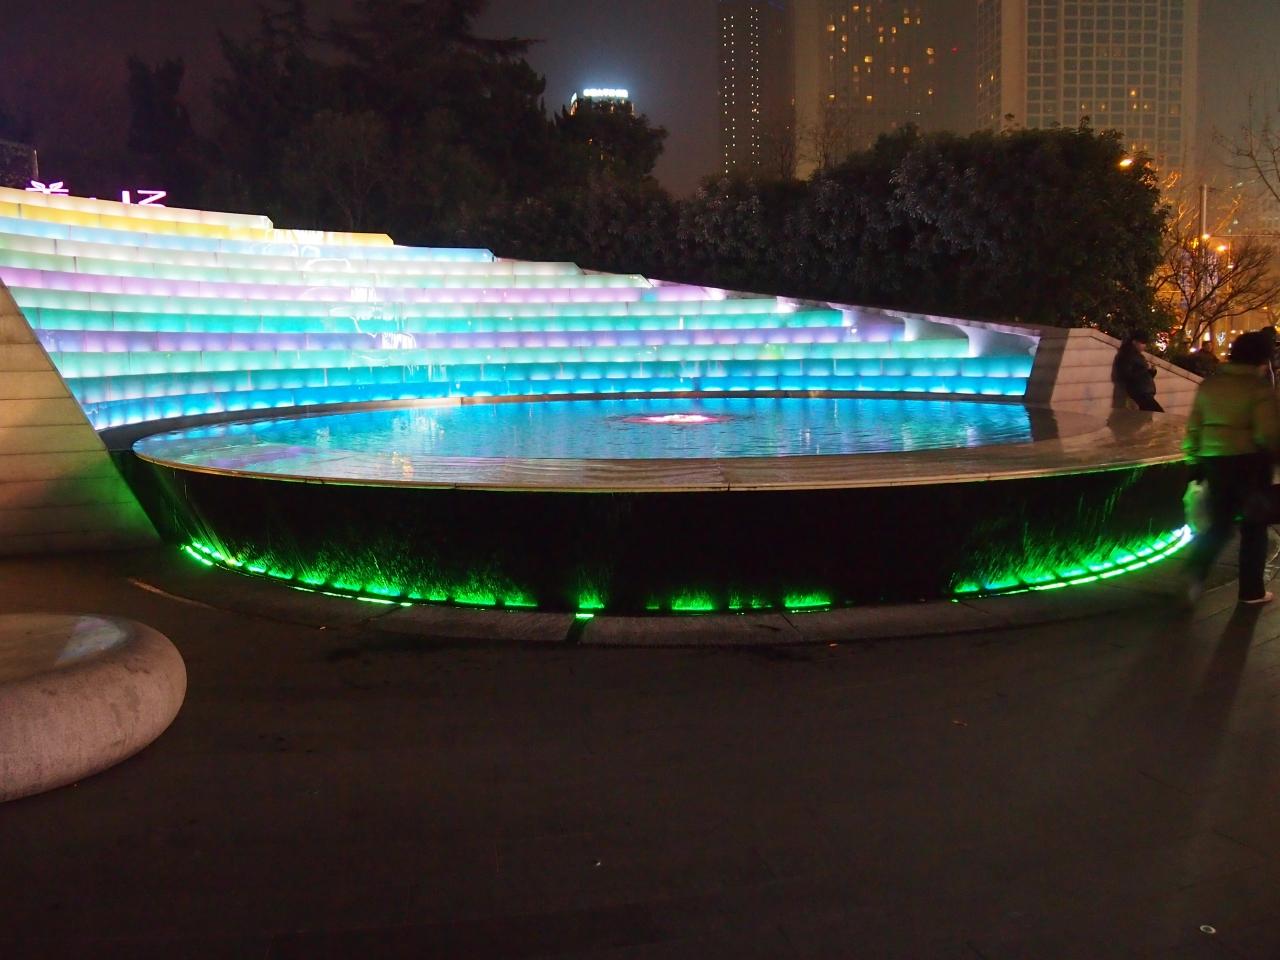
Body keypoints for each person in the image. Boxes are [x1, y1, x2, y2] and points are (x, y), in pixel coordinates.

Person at [1182, 331, 1280, 606]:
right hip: (1250, 464)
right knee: (1254, 526)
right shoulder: (1258, 389)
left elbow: (1194, 427)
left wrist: (1193, 462)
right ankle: (1251, 592)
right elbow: (1268, 434)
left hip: (1214, 461)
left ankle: (1195, 573)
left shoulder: (1209, 385)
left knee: (1219, 524)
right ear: (1262, 359)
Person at [1113, 331, 1163, 412]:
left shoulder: (1137, 355)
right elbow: (1126, 374)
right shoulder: (1127, 354)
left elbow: (1142, 375)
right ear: (1134, 342)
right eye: (1142, 343)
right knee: (1158, 413)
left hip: (1144, 392)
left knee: (1146, 416)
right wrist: (1144, 371)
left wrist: (1151, 371)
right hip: (1139, 392)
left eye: (1145, 343)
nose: (1144, 346)